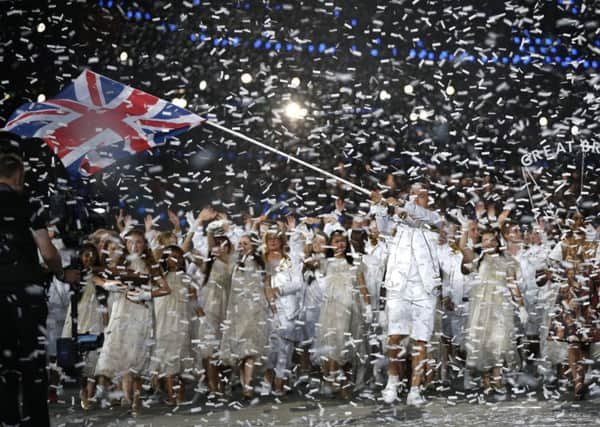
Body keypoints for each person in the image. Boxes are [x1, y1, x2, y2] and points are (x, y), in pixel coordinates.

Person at [0, 151, 79, 427]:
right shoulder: (28, 203)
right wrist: (60, 272)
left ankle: (8, 420)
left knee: (4, 365)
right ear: (19, 175)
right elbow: (47, 251)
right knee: (33, 364)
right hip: (26, 294)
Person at [379, 183, 445, 406]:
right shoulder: (397, 221)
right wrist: (383, 205)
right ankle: (393, 381)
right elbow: (382, 226)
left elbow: (427, 218)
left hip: (425, 288)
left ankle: (415, 389)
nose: (418, 199)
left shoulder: (434, 220)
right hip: (398, 286)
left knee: (420, 340)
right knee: (395, 337)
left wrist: (403, 204)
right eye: (413, 195)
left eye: (422, 196)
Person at [219, 233, 269, 399]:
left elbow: (263, 285)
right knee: (240, 351)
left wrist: (268, 304)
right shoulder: (236, 263)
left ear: (253, 245)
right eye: (240, 243)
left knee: (249, 349)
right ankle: (244, 384)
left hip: (252, 310)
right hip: (237, 311)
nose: (242, 246)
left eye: (246, 243)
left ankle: (247, 386)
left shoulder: (256, 262)